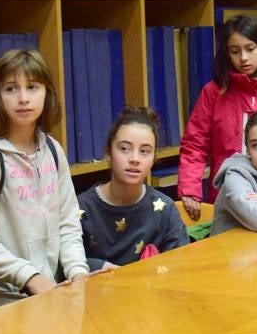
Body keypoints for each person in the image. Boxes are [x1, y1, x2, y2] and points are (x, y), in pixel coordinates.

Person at [0, 48, 89, 307]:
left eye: (32, 87)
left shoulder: (53, 150)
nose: (23, 98)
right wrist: (31, 278)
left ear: (46, 93)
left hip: (48, 289)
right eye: (11, 89)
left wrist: (77, 271)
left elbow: (68, 221)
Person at [179, 14, 257, 219]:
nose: (243, 58)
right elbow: (195, 144)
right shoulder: (214, 92)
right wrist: (190, 188)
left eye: (250, 49)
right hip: (225, 195)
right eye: (235, 51)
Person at [78, 106, 189, 268]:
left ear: (154, 159)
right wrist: (100, 267)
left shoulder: (165, 209)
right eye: (124, 149)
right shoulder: (80, 209)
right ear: (108, 153)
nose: (135, 159)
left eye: (144, 151)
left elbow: (182, 266)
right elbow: (63, 264)